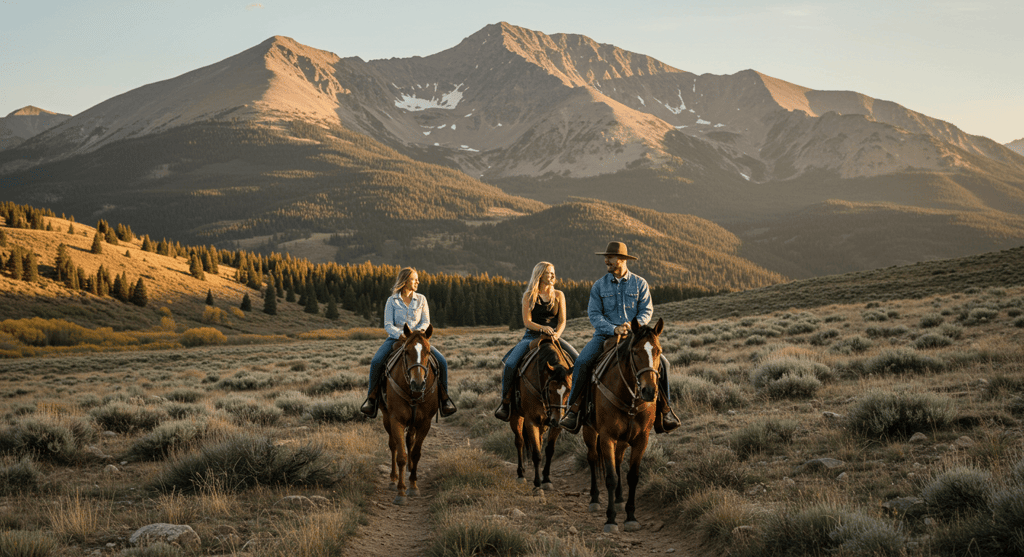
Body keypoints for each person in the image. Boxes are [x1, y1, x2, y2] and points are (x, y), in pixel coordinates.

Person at [558, 241, 680, 433]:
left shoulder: (640, 283)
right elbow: (594, 314)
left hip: (635, 336)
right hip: (604, 336)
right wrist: (614, 328)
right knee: (582, 362)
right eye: (606, 257)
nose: (606, 260)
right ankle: (573, 411)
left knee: (663, 364)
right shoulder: (599, 286)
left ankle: (666, 412)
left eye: (610, 257)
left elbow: (646, 309)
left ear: (622, 260)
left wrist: (634, 326)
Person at [359, 267, 457, 419]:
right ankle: (371, 400)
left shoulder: (422, 299)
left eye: (417, 279)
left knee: (442, 362)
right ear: (405, 282)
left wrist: (416, 334)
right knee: (376, 361)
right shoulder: (392, 301)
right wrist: (401, 335)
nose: (417, 281)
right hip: (396, 339)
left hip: (418, 340)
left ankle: (445, 400)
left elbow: (426, 321)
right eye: (414, 279)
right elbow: (388, 324)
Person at [494, 262, 579, 421]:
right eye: (549, 273)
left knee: (579, 361)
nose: (553, 276)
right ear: (540, 275)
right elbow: (527, 321)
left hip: (554, 337)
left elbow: (562, 322)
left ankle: (577, 404)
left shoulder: (559, 295)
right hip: (532, 337)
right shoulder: (529, 296)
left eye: (553, 272)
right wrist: (542, 329)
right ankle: (505, 402)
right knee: (511, 364)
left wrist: (556, 335)